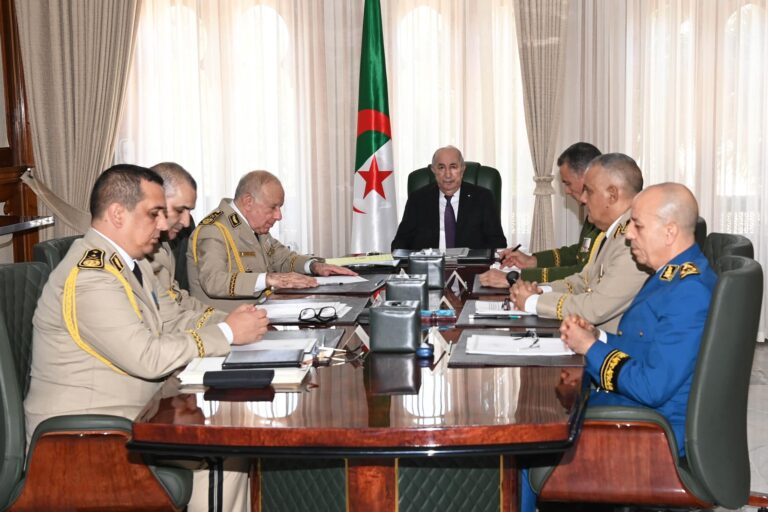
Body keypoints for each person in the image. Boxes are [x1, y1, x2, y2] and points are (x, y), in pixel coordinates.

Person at [24, 164, 269, 511]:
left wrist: (240, 324)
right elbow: (148, 358)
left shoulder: (131, 265)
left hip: (133, 418)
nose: (165, 224)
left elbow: (172, 319)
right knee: (222, 455)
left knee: (231, 445)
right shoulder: (91, 277)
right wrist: (228, 332)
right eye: (154, 213)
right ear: (117, 214)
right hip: (82, 442)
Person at [521, 182, 717, 512]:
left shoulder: (689, 291)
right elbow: (644, 346)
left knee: (527, 438)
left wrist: (591, 349)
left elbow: (652, 387)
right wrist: (597, 337)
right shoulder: (670, 276)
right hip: (641, 416)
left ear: (669, 232)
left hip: (651, 434)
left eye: (638, 226)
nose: (629, 235)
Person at [509, 153, 650, 333]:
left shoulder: (633, 240)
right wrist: (540, 291)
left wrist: (533, 302)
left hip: (612, 344)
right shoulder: (612, 231)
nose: (583, 199)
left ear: (612, 195)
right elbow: (583, 281)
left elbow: (595, 308)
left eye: (589, 191)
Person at [187, 170, 355, 311]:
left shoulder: (255, 227)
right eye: (273, 207)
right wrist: (268, 279)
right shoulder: (214, 230)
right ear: (248, 202)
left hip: (260, 315)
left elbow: (283, 258)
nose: (278, 216)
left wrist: (314, 266)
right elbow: (213, 281)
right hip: (225, 327)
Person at [479, 142, 602, 287]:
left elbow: (583, 273)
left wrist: (518, 277)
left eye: (568, 183)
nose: (566, 191)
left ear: (586, 176)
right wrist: (533, 261)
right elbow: (579, 252)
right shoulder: (595, 210)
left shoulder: (605, 215)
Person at [390, 145, 507, 251]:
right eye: (441, 167)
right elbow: (400, 244)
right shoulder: (418, 199)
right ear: (433, 170)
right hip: (429, 265)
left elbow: (498, 242)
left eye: (453, 167)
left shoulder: (483, 198)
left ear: (462, 169)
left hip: (470, 265)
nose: (447, 174)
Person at [149, 162, 222, 317]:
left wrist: (225, 318)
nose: (187, 222)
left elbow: (178, 298)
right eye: (179, 210)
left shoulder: (164, 246)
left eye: (189, 211)